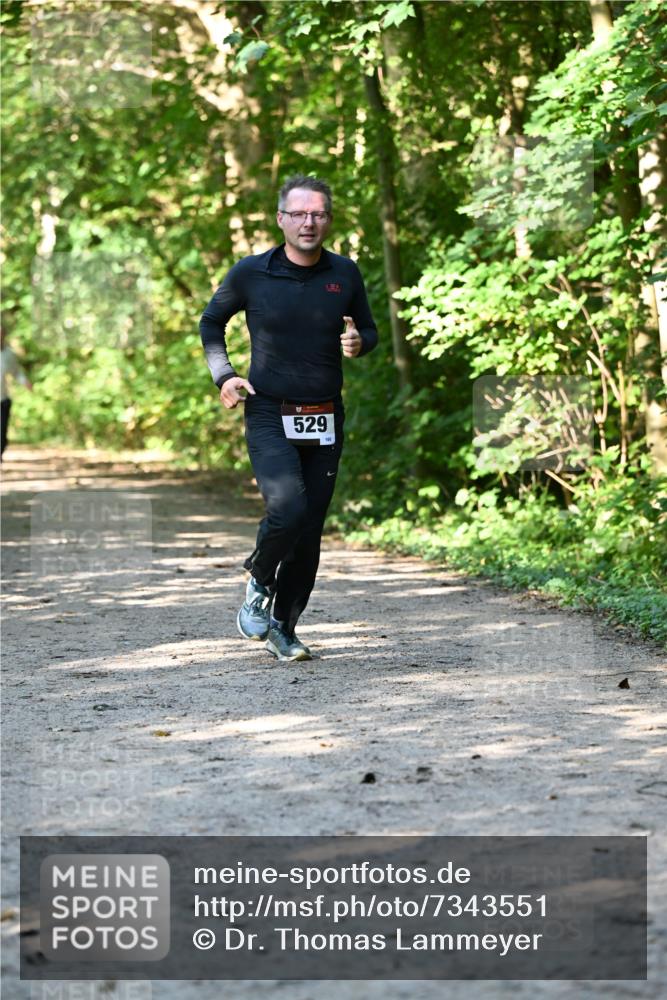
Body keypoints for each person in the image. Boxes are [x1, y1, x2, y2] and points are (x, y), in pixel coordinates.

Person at [199, 174, 378, 661]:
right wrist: (225, 376)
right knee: (289, 509)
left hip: (324, 417)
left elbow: (368, 329)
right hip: (268, 410)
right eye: (298, 214)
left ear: (329, 220)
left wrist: (360, 342)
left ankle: (283, 626)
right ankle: (259, 580)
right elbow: (212, 322)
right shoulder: (251, 273)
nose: (308, 222)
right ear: (281, 219)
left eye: (318, 213)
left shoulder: (346, 273)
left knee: (310, 528)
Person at [1, 324, 32, 460]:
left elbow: (16, 372)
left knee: (2, 433)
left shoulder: (8, 354)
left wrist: (25, 382)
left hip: (3, 399)